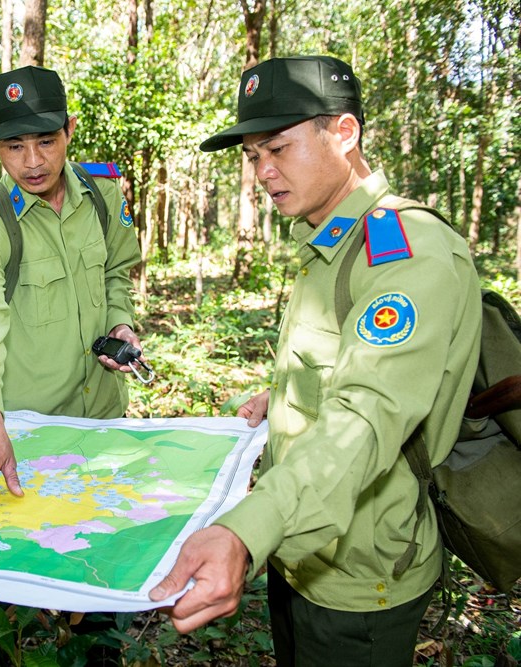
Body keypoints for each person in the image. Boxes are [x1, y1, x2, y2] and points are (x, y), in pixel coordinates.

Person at [147, 56, 482, 667]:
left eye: (278, 148)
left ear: (345, 133)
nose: (264, 173)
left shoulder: (403, 252)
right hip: (297, 548)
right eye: (253, 157)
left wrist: (245, 533)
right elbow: (343, 368)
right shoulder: (332, 241)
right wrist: (284, 400)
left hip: (359, 577)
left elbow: (368, 415)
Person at [0, 65, 144, 516]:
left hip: (104, 416)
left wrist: (121, 322)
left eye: (45, 141)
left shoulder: (103, 193)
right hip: (31, 432)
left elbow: (117, 270)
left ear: (68, 130)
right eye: (14, 146)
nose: (32, 161)